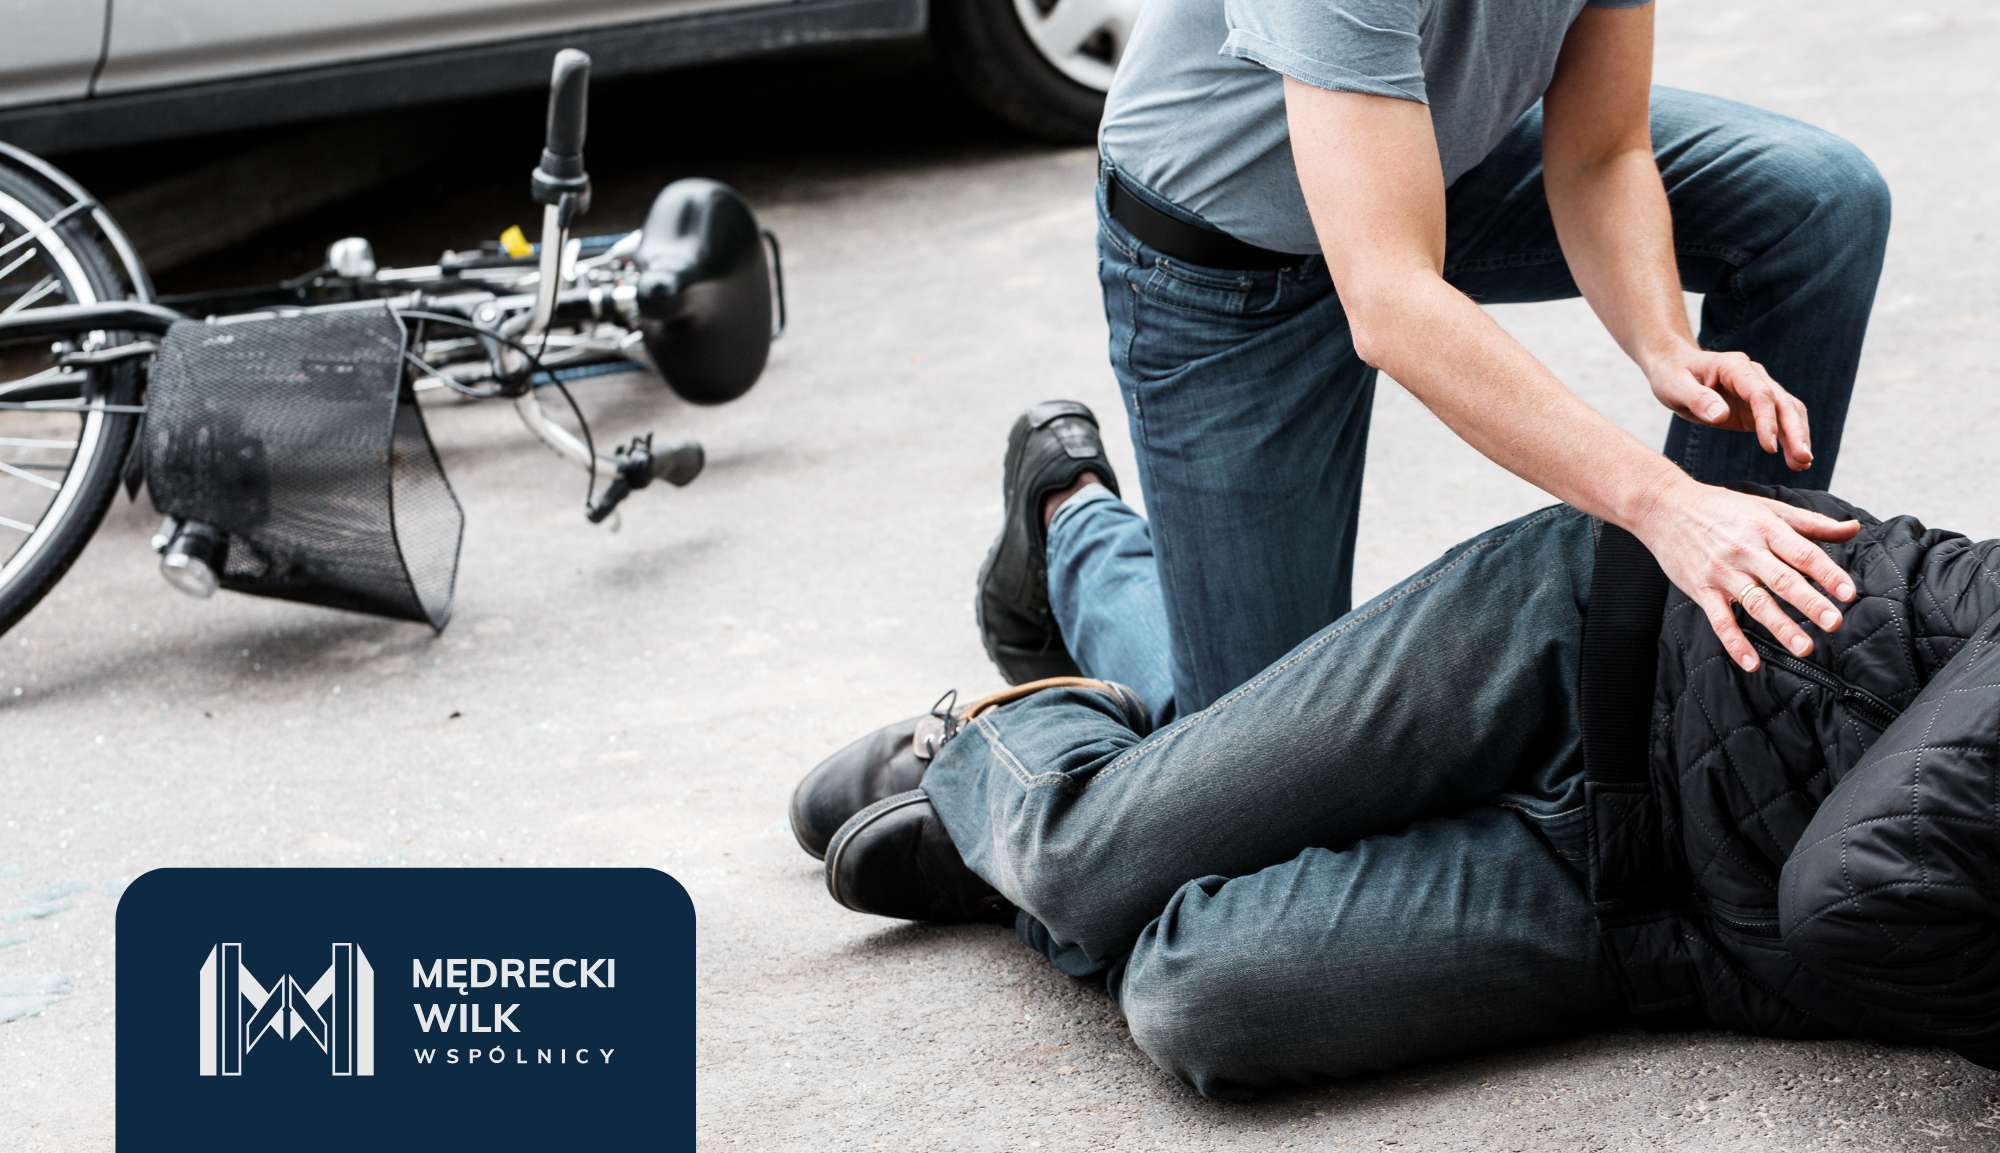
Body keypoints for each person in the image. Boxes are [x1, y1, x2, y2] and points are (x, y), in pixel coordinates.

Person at [797, 408, 2000, 1097]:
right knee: (1079, 861)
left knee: (1198, 1000)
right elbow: (1856, 893)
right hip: (1597, 643)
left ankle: (1069, 807)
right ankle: (1018, 711)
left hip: (1653, 918)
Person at [976, 0, 1893, 726]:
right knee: (1252, 763)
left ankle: (1693, 684)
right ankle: (1071, 527)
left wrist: (1665, 344)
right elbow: (1393, 304)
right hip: (1223, 268)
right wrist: (1664, 504)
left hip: (1432, 163)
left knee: (1817, 200)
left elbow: (1603, 152)